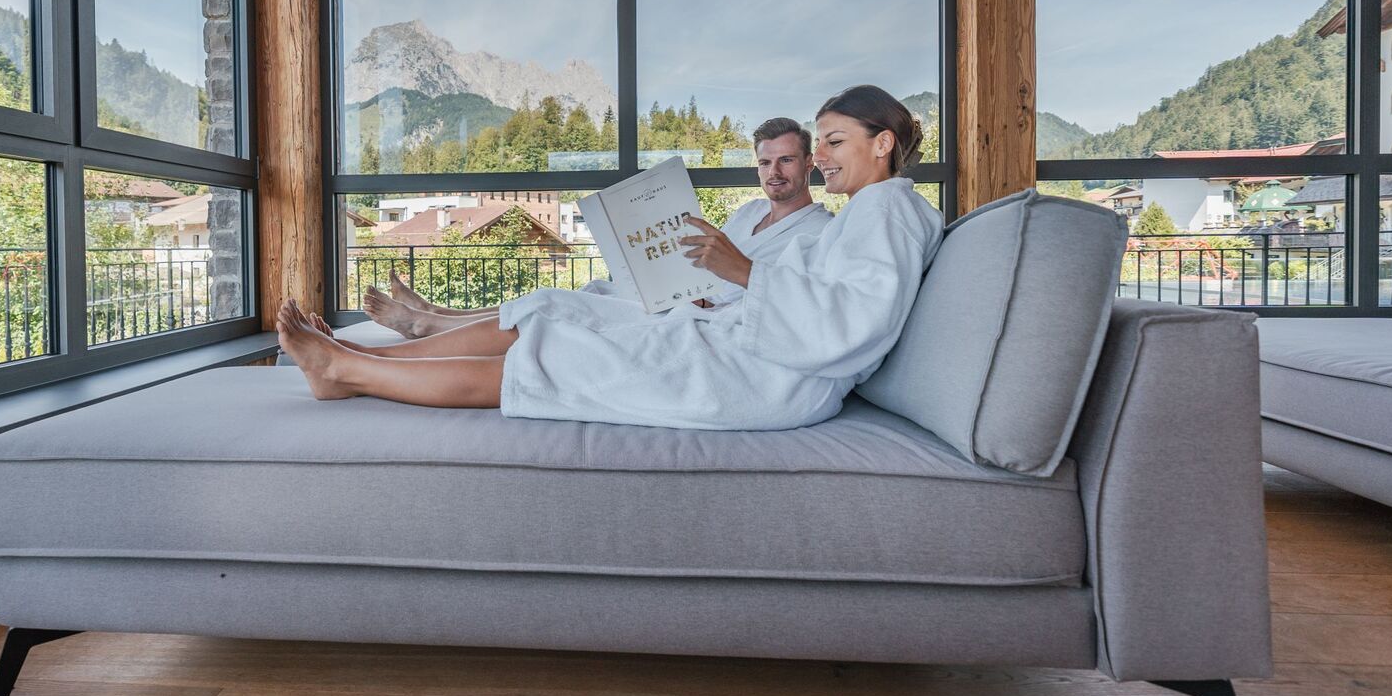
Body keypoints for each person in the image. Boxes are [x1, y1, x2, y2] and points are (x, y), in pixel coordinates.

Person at [276, 85, 943, 431]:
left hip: (763, 376)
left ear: (883, 143)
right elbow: (831, 305)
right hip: (746, 347)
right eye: (818, 144)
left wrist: (741, 274)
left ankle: (347, 368)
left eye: (832, 142)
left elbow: (852, 323)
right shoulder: (874, 212)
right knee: (551, 329)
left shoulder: (886, 212)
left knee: (550, 353)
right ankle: (354, 361)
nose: (821, 157)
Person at [359, 116, 830, 339]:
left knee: (552, 303)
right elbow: (706, 262)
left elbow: (786, 300)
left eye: (786, 160)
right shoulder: (749, 212)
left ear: (809, 163)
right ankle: (440, 312)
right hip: (683, 297)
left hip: (703, 320)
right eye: (765, 162)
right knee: (591, 288)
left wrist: (707, 298)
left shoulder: (818, 232)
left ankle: (426, 324)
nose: (774, 172)